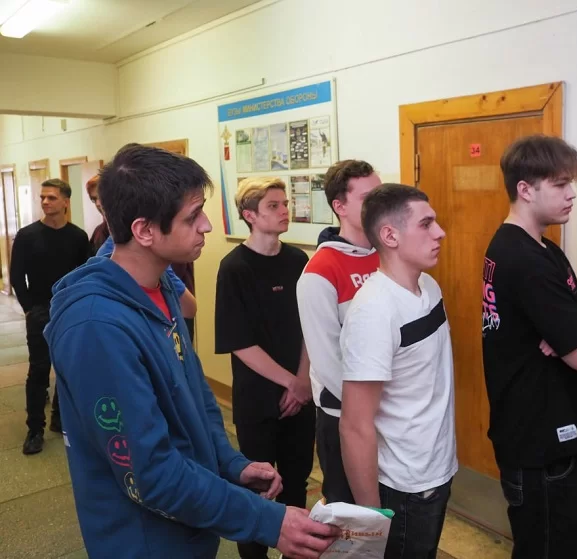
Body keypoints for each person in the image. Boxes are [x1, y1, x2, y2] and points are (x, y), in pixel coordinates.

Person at [44, 145, 339, 559]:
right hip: (144, 542)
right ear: (144, 230)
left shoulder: (161, 285)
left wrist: (230, 463)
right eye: (192, 216)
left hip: (191, 527)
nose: (206, 226)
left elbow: (195, 399)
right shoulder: (96, 328)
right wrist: (266, 521)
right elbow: (151, 474)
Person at [481, 135, 577, 559]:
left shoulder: (545, 250)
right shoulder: (523, 259)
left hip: (546, 440)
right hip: (542, 447)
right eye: (560, 184)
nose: (571, 194)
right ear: (525, 189)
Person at [339, 183, 457, 558]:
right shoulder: (374, 311)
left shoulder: (429, 287)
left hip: (436, 469)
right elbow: (355, 425)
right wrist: (373, 518)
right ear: (390, 236)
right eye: (426, 224)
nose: (440, 232)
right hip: (403, 487)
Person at [215, 176, 315, 559]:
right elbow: (239, 342)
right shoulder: (234, 268)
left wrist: (302, 382)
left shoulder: (298, 261)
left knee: (296, 483)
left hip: (300, 396)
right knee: (259, 489)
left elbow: (311, 327)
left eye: (284, 203)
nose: (284, 210)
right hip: (258, 399)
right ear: (250, 215)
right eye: (273, 205)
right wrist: (292, 382)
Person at [297, 159, 381, 504]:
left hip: (386, 413)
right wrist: (369, 408)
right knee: (351, 515)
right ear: (340, 207)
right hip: (344, 416)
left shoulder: (386, 253)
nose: (379, 204)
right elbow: (328, 362)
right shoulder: (319, 271)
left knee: (385, 509)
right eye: (367, 198)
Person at [11, 178, 89, 455]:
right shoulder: (27, 235)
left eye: (51, 197)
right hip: (40, 311)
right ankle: (35, 429)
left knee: (67, 368)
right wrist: (29, 309)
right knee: (39, 371)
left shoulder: (78, 237)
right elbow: (17, 276)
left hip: (69, 310)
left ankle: (59, 416)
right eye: (42, 197)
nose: (45, 202)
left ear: (65, 202)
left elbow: (85, 275)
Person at [85, 174, 110, 254]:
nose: (98, 203)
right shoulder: (98, 232)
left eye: (101, 197)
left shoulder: (136, 230)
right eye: (94, 199)